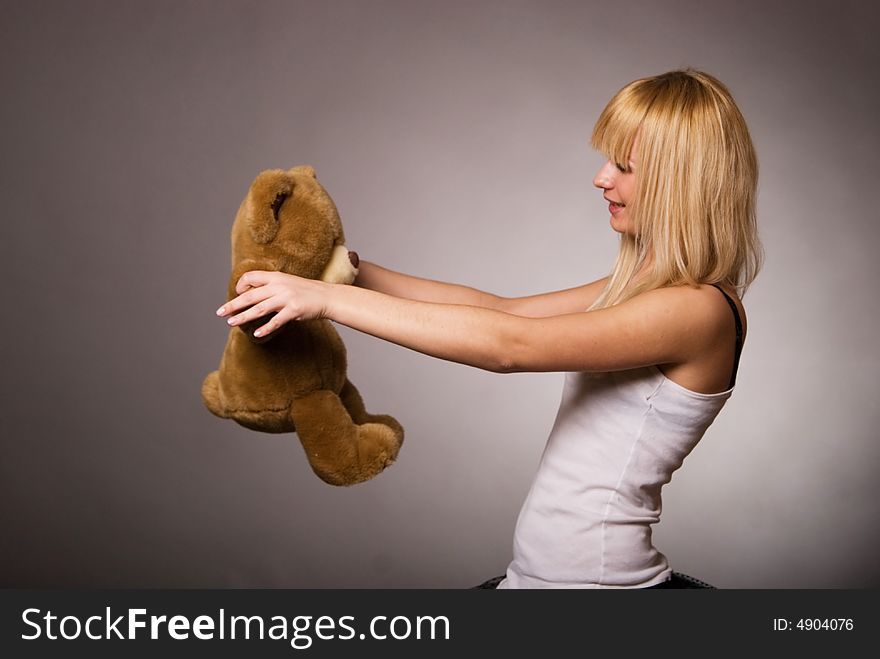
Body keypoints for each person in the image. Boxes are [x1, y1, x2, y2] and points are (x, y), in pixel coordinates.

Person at [215, 69, 763, 588]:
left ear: (683, 182)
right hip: (545, 581)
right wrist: (352, 272)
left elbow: (510, 347)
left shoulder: (698, 311)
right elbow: (504, 311)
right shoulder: (644, 291)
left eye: (625, 166)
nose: (600, 178)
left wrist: (325, 300)